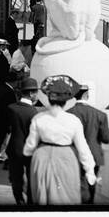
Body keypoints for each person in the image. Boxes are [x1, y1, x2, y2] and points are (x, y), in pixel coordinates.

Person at [23, 75, 97, 205]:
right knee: (66, 195)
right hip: (66, 158)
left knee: (41, 195)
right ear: (66, 100)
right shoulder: (73, 120)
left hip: (41, 158)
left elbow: (29, 147)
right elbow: (83, 148)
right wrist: (89, 170)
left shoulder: (39, 118)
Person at [69, 83, 109, 204]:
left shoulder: (68, 113)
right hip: (93, 155)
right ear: (87, 95)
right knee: (90, 184)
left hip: (73, 155)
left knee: (75, 186)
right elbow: (106, 138)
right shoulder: (100, 115)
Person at [5, 76, 42, 204]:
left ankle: (19, 201)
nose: (37, 95)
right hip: (30, 151)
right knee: (32, 179)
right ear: (31, 94)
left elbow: (7, 130)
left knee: (16, 179)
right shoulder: (34, 113)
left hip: (14, 148)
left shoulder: (11, 108)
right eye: (36, 92)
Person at [0, 65, 20, 163]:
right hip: (5, 120)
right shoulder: (9, 93)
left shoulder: (1, 88)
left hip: (0, 118)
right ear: (13, 82)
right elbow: (10, 108)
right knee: (2, 138)